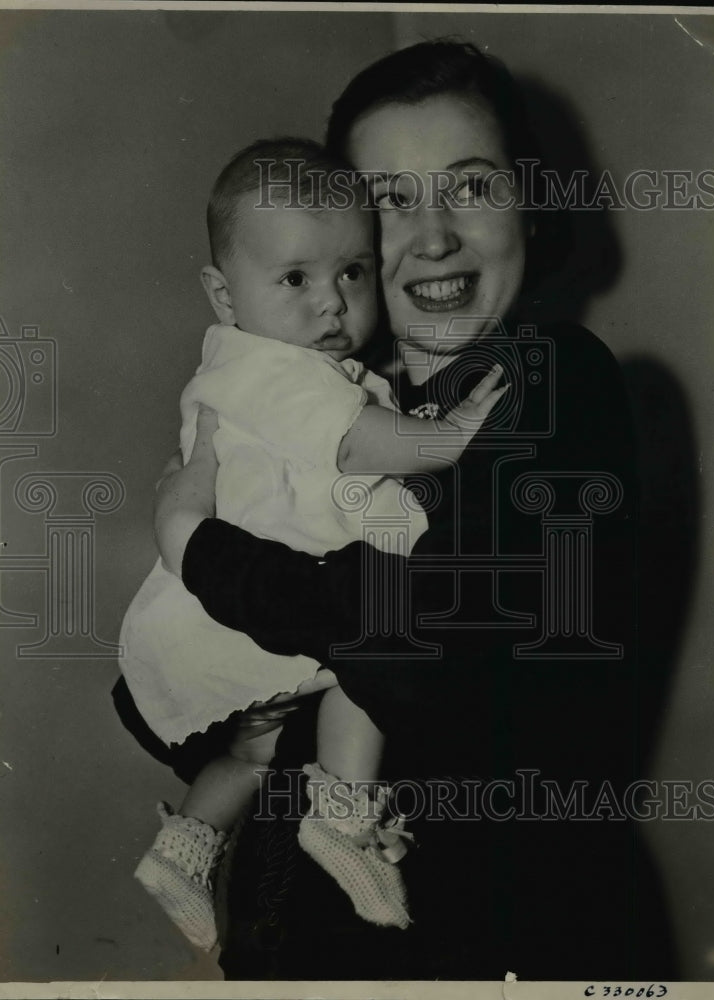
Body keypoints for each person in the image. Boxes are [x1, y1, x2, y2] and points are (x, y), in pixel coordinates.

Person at [118, 40, 677, 978]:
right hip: (288, 948)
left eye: (472, 187)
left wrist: (194, 544)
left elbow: (413, 643)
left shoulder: (549, 382)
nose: (433, 237)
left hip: (498, 945)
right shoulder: (322, 408)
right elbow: (152, 708)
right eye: (389, 201)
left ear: (530, 210)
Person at [119, 137, 509, 951]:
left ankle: (184, 848)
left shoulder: (290, 367)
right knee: (363, 663)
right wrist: (453, 435)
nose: (332, 303)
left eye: (352, 273)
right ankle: (345, 815)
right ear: (224, 296)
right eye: (297, 279)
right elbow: (363, 447)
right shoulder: (267, 372)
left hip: (229, 600)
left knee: (257, 748)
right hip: (236, 598)